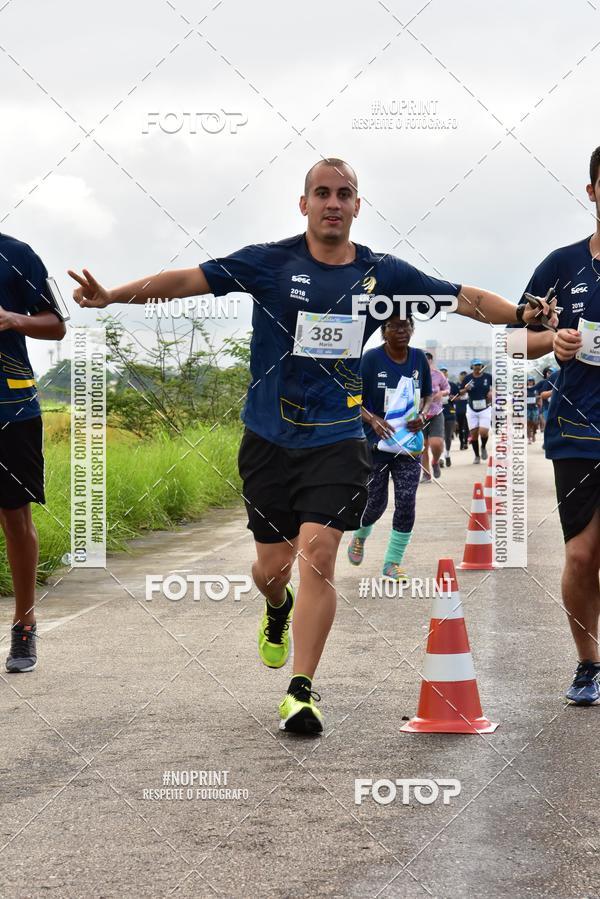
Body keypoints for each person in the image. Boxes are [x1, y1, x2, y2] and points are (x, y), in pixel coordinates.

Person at [69, 157, 551, 734]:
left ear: (356, 207)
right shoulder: (268, 262)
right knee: (272, 569)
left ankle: (301, 690)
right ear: (304, 205)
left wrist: (519, 313)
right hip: (269, 437)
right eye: (321, 193)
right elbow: (186, 281)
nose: (332, 203)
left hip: (339, 438)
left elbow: (463, 297)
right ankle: (277, 608)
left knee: (318, 557)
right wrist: (113, 295)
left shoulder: (381, 274)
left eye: (343, 194)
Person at [518, 145, 600, 705]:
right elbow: (517, 338)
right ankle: (589, 664)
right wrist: (554, 340)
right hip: (576, 430)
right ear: (592, 191)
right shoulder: (562, 264)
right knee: (580, 556)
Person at [0, 234, 67, 672]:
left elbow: (56, 323)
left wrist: (10, 319)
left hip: (12, 408)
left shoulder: (18, 255)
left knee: (15, 518)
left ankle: (24, 625)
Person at [346, 314, 431, 580]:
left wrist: (423, 415)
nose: (401, 330)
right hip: (375, 444)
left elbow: (427, 396)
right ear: (384, 331)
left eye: (406, 326)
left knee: (406, 502)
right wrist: (373, 419)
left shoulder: (418, 359)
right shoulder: (371, 359)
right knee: (375, 503)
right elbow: (351, 399)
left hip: (408, 446)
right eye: (393, 326)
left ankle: (392, 562)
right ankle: (360, 536)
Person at [421, 353, 449, 481]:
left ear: (431, 361)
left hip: (436, 413)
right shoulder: (414, 374)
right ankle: (426, 474)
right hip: (419, 414)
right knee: (422, 446)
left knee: (436, 443)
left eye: (427, 360)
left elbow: (447, 388)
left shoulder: (438, 375)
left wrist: (441, 393)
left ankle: (435, 461)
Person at [459, 360, 493, 464]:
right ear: (472, 367)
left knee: (483, 431)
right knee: (473, 435)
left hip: (485, 408)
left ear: (482, 366)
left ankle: (483, 446)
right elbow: (460, 392)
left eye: (479, 365)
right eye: (475, 365)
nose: (477, 367)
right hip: (472, 408)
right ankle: (477, 456)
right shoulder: (467, 378)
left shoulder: (488, 377)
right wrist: (465, 389)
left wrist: (492, 392)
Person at [439, 366, 459, 467]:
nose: (443, 373)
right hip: (437, 413)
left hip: (450, 412)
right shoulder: (435, 385)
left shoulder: (452, 385)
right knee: (440, 436)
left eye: (445, 372)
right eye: (441, 372)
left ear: (447, 374)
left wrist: (453, 397)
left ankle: (447, 454)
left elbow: (460, 396)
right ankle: (441, 457)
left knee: (448, 436)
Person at [455, 370, 469, 449]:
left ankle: (465, 442)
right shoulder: (457, 385)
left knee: (466, 426)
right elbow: (456, 394)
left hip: (467, 406)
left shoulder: (471, 385)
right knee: (460, 426)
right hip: (459, 407)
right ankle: (461, 442)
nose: (463, 378)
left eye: (465, 377)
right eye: (462, 376)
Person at [526, 375, 540, 443]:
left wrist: (537, 398)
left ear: (533, 382)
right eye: (529, 381)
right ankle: (529, 438)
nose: (530, 382)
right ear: (527, 382)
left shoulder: (536, 389)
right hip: (527, 408)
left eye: (531, 381)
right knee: (528, 423)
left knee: (535, 423)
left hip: (535, 408)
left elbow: (539, 396)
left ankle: (534, 434)